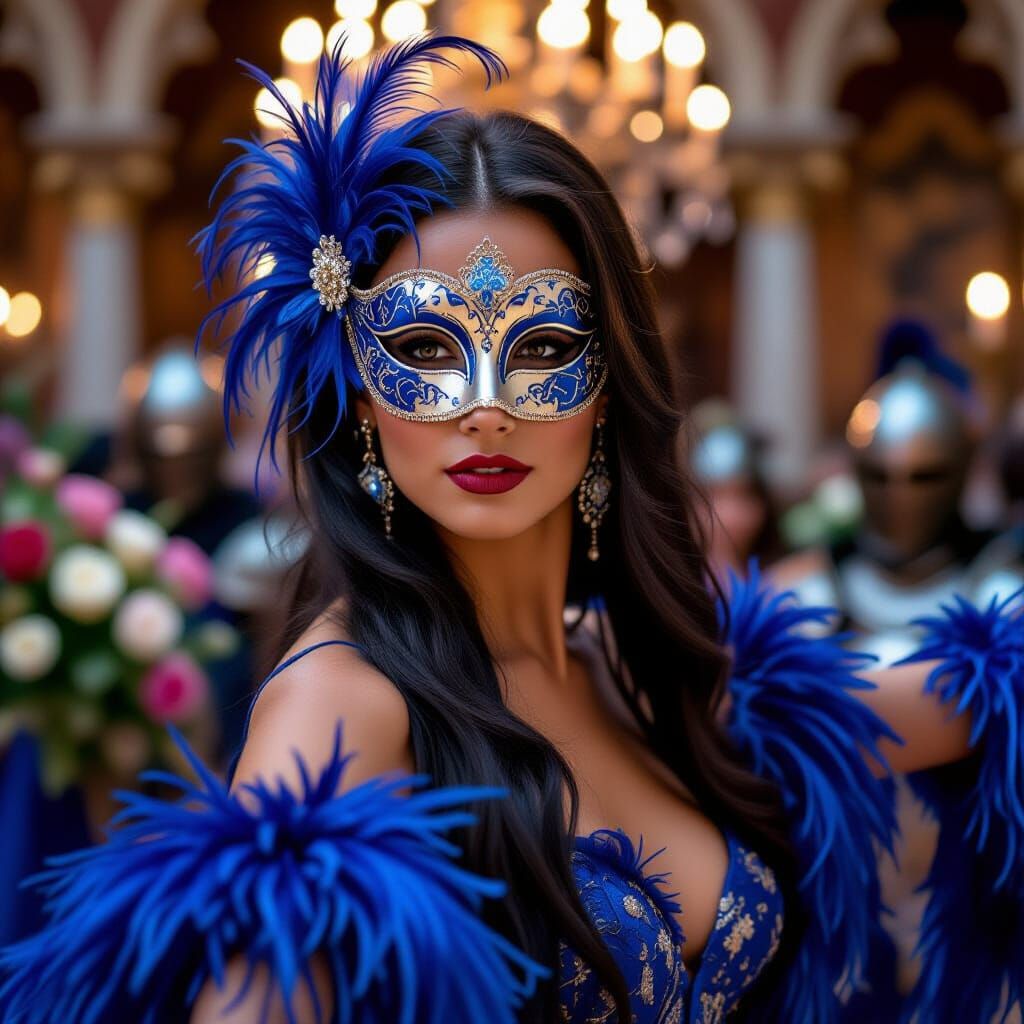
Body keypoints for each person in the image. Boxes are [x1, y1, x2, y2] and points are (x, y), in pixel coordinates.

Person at [0, 35, 1020, 1024]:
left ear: (607, 386)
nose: (484, 406)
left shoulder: (643, 668)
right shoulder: (341, 705)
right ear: (358, 396)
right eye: (423, 346)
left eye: (540, 345)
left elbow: (970, 693)